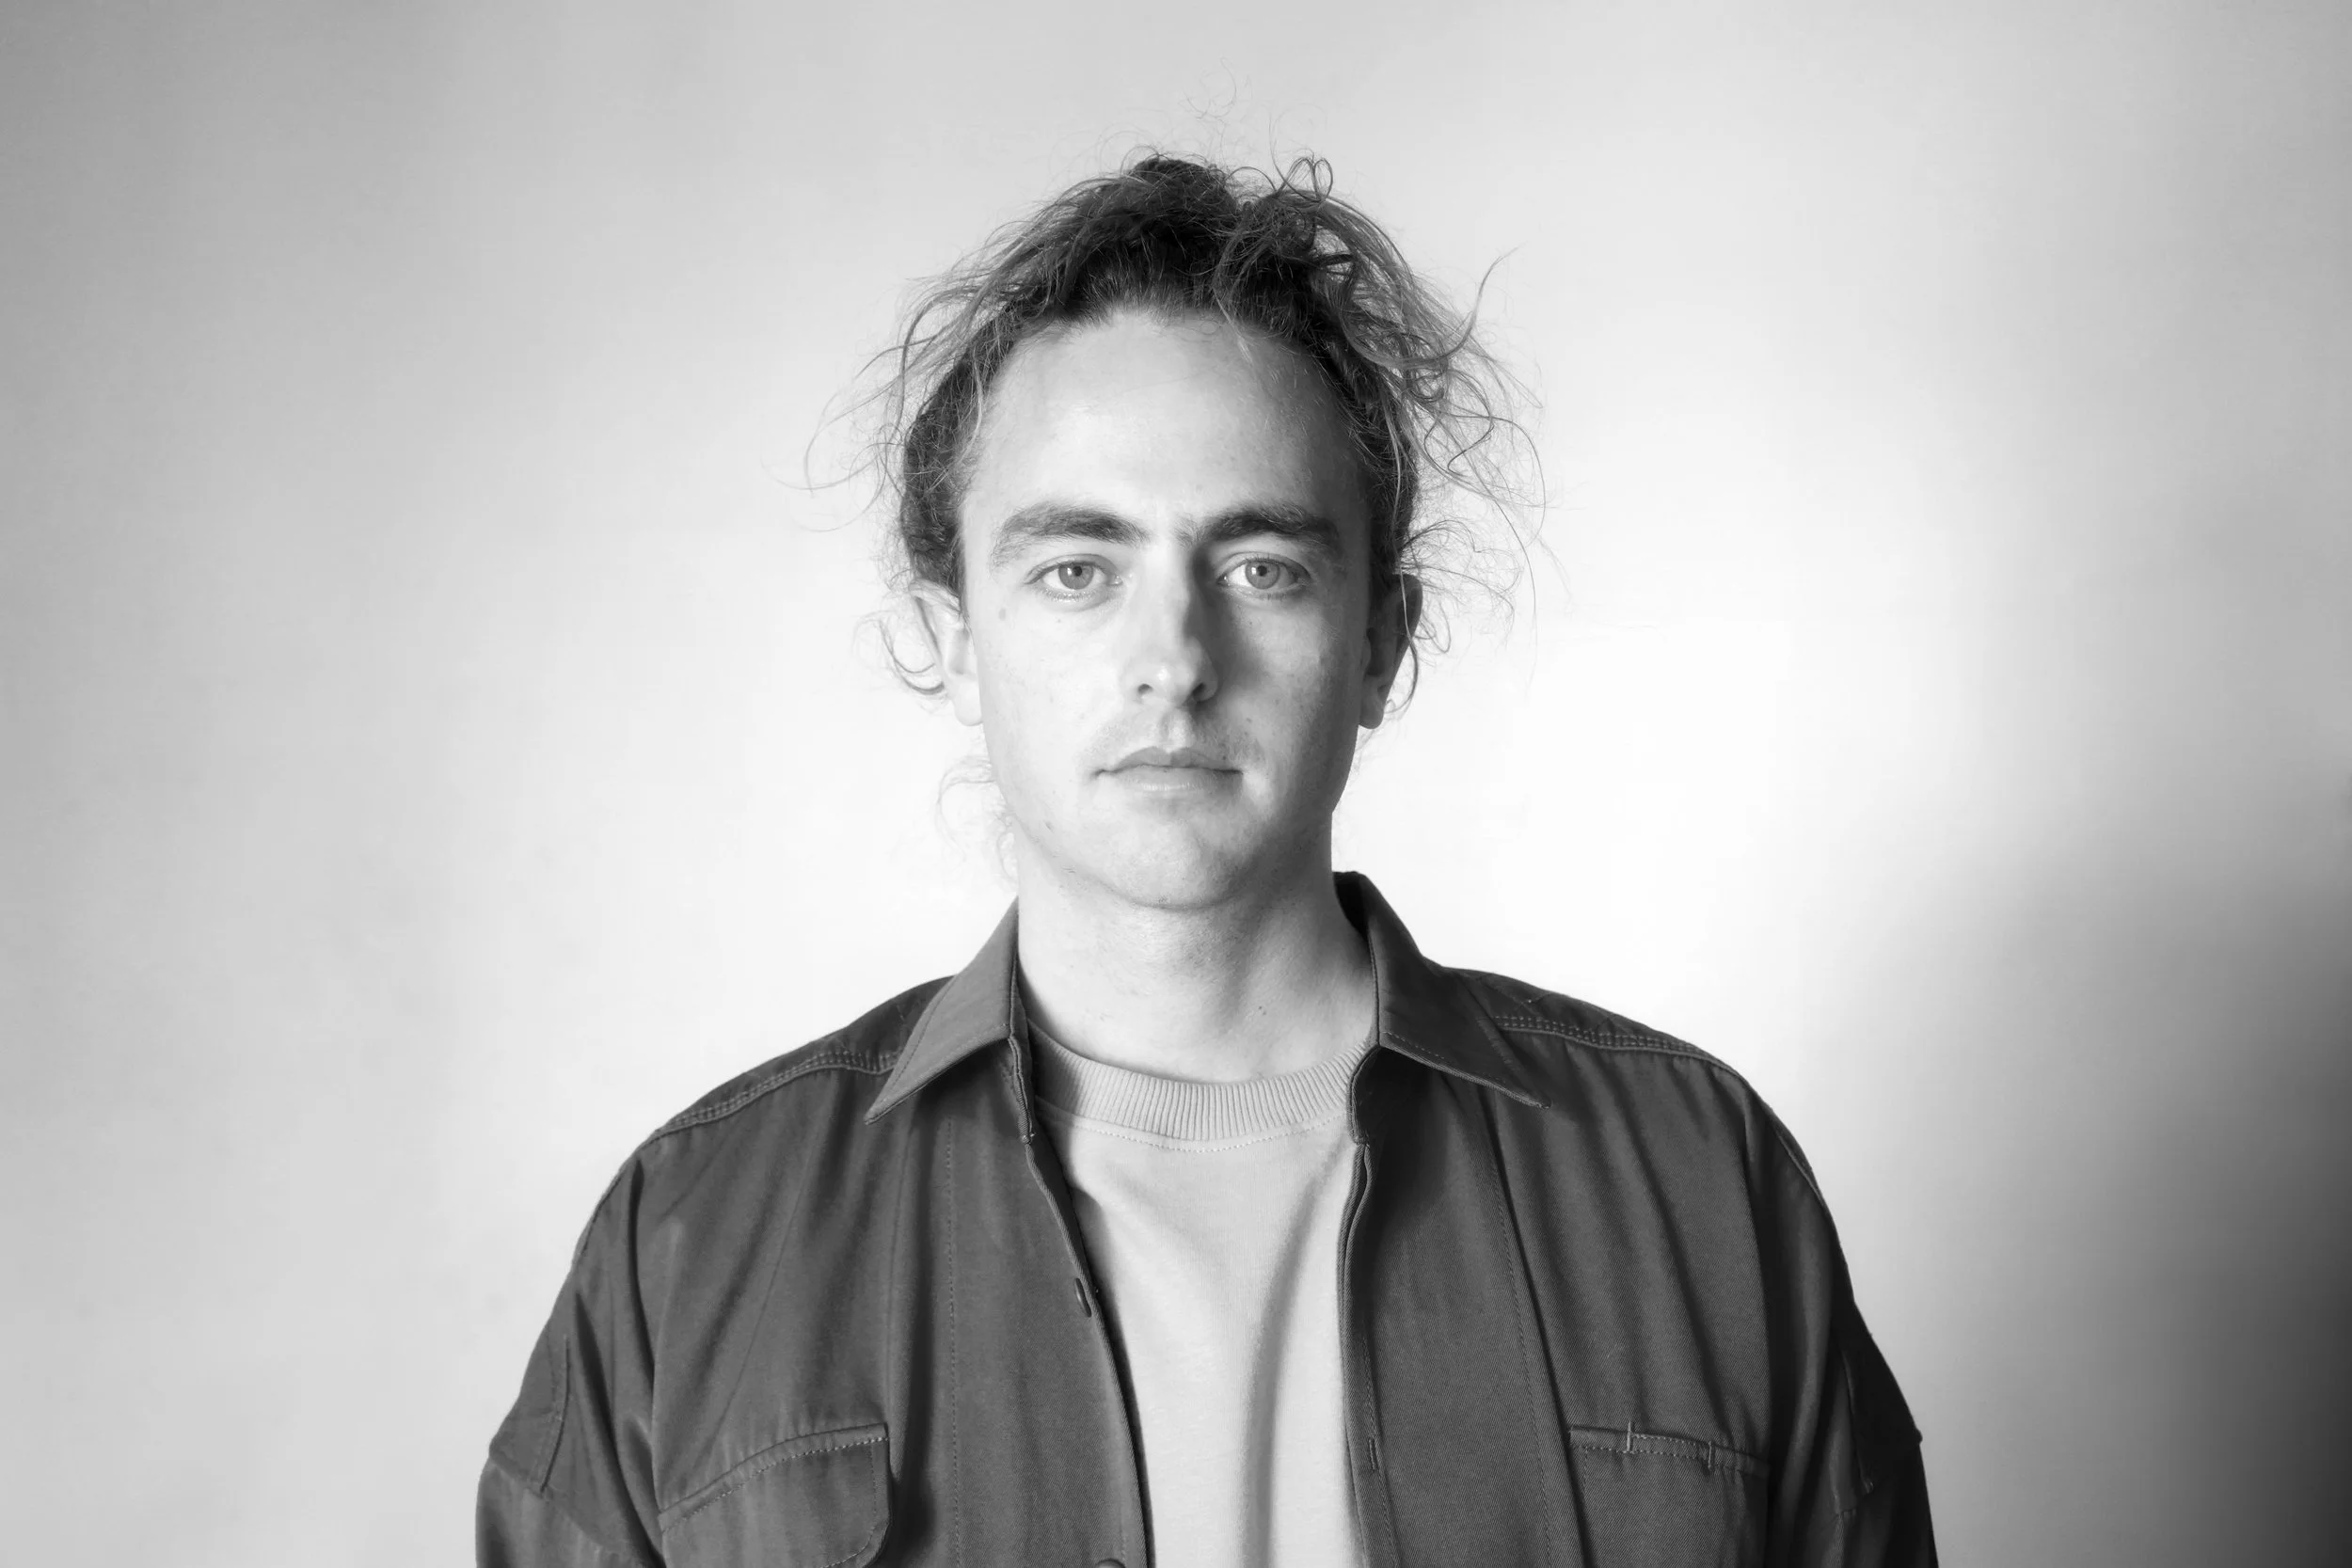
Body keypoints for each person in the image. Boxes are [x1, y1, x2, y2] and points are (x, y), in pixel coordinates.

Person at [477, 152, 1936, 1568]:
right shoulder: (690, 1242)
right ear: (952, 638)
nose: (1174, 659)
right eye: (1077, 569)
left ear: (1380, 640)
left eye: (1261, 568)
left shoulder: (1699, 1184)